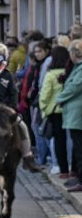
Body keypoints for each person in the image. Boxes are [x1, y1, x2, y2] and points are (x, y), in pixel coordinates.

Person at [0, 41, 41, 172]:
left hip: (4, 110)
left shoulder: (6, 75)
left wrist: (11, 107)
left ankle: (27, 156)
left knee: (22, 125)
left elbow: (13, 92)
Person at [39, 46, 71, 180]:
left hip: (54, 111)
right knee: (71, 139)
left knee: (58, 140)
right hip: (68, 109)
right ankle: (71, 166)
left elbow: (45, 94)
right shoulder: (69, 72)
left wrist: (44, 109)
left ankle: (62, 168)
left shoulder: (51, 74)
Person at [56, 40, 82, 192]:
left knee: (79, 149)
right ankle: (78, 177)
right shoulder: (77, 68)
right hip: (74, 115)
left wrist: (60, 98)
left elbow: (74, 87)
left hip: (78, 115)